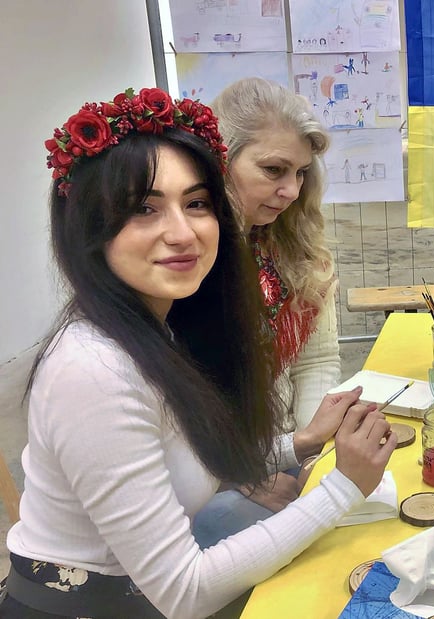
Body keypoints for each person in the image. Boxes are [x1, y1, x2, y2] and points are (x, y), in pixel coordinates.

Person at [0, 87, 396, 618]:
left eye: (196, 204)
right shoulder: (94, 369)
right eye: (144, 208)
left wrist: (300, 443)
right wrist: (342, 488)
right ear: (90, 227)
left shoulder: (155, 327)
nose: (182, 233)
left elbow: (188, 463)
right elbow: (185, 592)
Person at [191, 77, 345, 546]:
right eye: (274, 170)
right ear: (219, 160)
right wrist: (240, 474)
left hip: (285, 451)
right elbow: (177, 405)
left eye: (300, 173)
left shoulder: (299, 251)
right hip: (209, 471)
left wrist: (311, 452)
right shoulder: (186, 260)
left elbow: (316, 361)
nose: (292, 191)